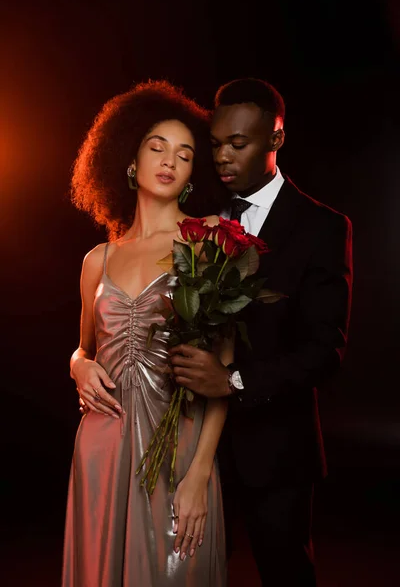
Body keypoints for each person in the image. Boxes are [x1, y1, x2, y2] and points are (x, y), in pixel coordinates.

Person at [169, 78, 353, 586]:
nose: (222, 156)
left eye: (238, 144)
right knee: (187, 576)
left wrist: (231, 381)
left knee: (287, 575)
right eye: (215, 144)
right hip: (194, 446)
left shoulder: (322, 227)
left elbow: (325, 350)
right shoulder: (201, 211)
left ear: (275, 140)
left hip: (277, 453)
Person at [62, 79, 231, 587]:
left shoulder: (207, 246)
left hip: (178, 448)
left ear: (190, 175)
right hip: (101, 447)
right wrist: (77, 365)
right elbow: (84, 347)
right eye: (157, 147)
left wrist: (200, 473)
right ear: (131, 160)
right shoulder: (98, 259)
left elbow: (222, 372)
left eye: (184, 154)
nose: (170, 161)